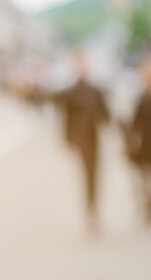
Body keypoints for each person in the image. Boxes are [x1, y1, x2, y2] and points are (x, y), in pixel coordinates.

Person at [55, 51, 109, 234]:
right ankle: (89, 210)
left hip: (94, 137)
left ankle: (93, 209)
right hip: (81, 139)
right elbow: (66, 118)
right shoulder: (70, 92)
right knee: (87, 175)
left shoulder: (95, 90)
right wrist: (68, 140)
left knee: (94, 175)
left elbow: (105, 114)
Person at [123, 57, 151, 226]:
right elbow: (134, 123)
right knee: (143, 181)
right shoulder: (141, 98)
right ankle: (147, 210)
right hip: (141, 148)